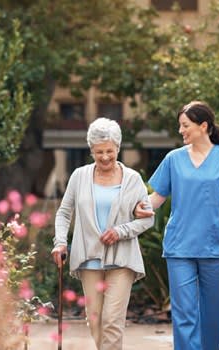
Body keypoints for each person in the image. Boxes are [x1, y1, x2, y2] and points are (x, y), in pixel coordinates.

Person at [135, 101, 219, 350]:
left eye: (185, 125)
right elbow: (157, 197)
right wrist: (135, 208)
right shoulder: (173, 159)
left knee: (212, 315)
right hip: (180, 248)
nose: (181, 131)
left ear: (204, 126)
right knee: (184, 314)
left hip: (216, 247)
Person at [52, 117, 154, 350]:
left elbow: (148, 220)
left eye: (110, 151)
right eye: (99, 152)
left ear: (118, 147)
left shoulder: (132, 179)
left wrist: (120, 231)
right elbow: (64, 213)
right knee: (95, 320)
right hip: (89, 259)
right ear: (91, 150)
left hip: (122, 259)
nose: (105, 157)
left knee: (112, 321)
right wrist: (60, 243)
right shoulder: (79, 176)